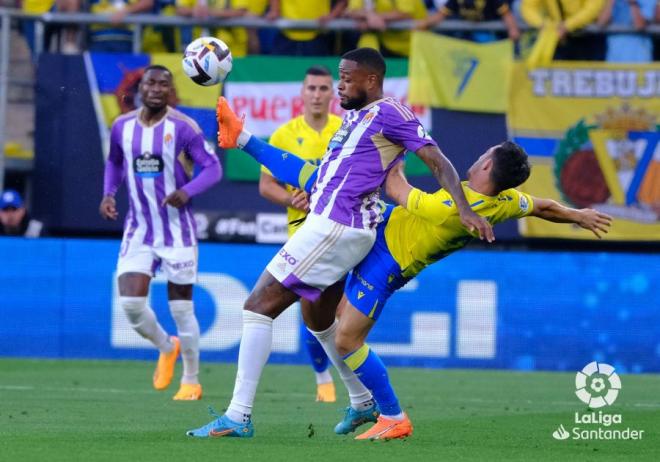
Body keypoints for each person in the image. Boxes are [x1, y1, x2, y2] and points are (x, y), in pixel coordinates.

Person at [211, 112, 613, 439]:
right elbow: (540, 205)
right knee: (325, 181)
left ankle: (393, 415)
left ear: (488, 164)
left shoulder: (453, 208)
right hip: (382, 228)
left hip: (388, 262)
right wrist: (577, 214)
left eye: (483, 153)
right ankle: (244, 139)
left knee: (348, 337)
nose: (476, 156)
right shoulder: (504, 201)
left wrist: (397, 148)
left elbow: (396, 186)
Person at [187, 47, 492, 438]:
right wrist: (244, 138)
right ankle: (363, 401)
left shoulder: (390, 113)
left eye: (346, 78)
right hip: (334, 225)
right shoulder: (352, 124)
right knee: (319, 321)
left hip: (336, 226)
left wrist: (464, 208)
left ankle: (238, 416)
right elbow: (308, 176)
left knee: (257, 307)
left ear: (372, 80)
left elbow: (438, 160)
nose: (340, 85)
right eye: (340, 77)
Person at [99, 65, 222, 400]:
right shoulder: (122, 126)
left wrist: (188, 191)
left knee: (182, 309)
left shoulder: (184, 128)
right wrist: (109, 193)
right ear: (141, 88)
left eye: (163, 84)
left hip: (176, 230)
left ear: (170, 91)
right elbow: (114, 162)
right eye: (150, 83)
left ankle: (192, 380)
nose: (156, 89)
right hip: (138, 229)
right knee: (131, 305)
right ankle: (167, 347)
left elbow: (213, 169)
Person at [259, 65, 343, 403]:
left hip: (341, 230)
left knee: (339, 311)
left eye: (324, 89)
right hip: (302, 232)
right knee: (312, 306)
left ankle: (346, 378)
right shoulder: (283, 135)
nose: (318, 95)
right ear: (302, 93)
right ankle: (323, 376)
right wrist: (289, 198)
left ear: (333, 95)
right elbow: (267, 185)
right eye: (312, 89)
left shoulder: (345, 130)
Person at [520, 0, 606, 61]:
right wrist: (542, 24)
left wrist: (567, 26)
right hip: (559, 40)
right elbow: (527, 7)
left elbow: (592, 9)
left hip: (588, 38)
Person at [343, 0, 428, 57]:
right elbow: (349, 11)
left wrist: (375, 18)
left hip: (413, 47)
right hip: (385, 44)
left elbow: (406, 13)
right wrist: (369, 15)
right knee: (365, 44)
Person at [416, 0, 520, 42]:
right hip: (467, 36)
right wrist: (424, 23)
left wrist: (513, 29)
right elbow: (440, 15)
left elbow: (507, 14)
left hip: (490, 35)